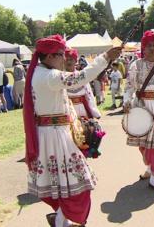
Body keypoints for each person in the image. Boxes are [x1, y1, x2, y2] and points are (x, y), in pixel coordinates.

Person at [23, 35, 121, 227]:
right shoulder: (49, 76)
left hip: (52, 133)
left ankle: (61, 219)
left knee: (61, 184)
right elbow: (79, 78)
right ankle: (62, 221)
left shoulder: (39, 72)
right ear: (50, 56)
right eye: (61, 55)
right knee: (76, 184)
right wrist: (105, 57)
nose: (64, 59)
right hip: (55, 136)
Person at [123, 30, 154, 193]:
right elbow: (129, 86)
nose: (152, 49)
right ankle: (149, 166)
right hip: (141, 107)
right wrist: (126, 101)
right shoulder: (135, 65)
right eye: (149, 46)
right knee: (142, 144)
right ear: (143, 48)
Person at [65, 47, 101, 119]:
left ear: (75, 61)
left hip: (83, 109)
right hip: (67, 110)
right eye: (67, 60)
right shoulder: (60, 77)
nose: (69, 62)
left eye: (71, 60)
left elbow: (89, 95)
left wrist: (95, 112)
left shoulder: (81, 76)